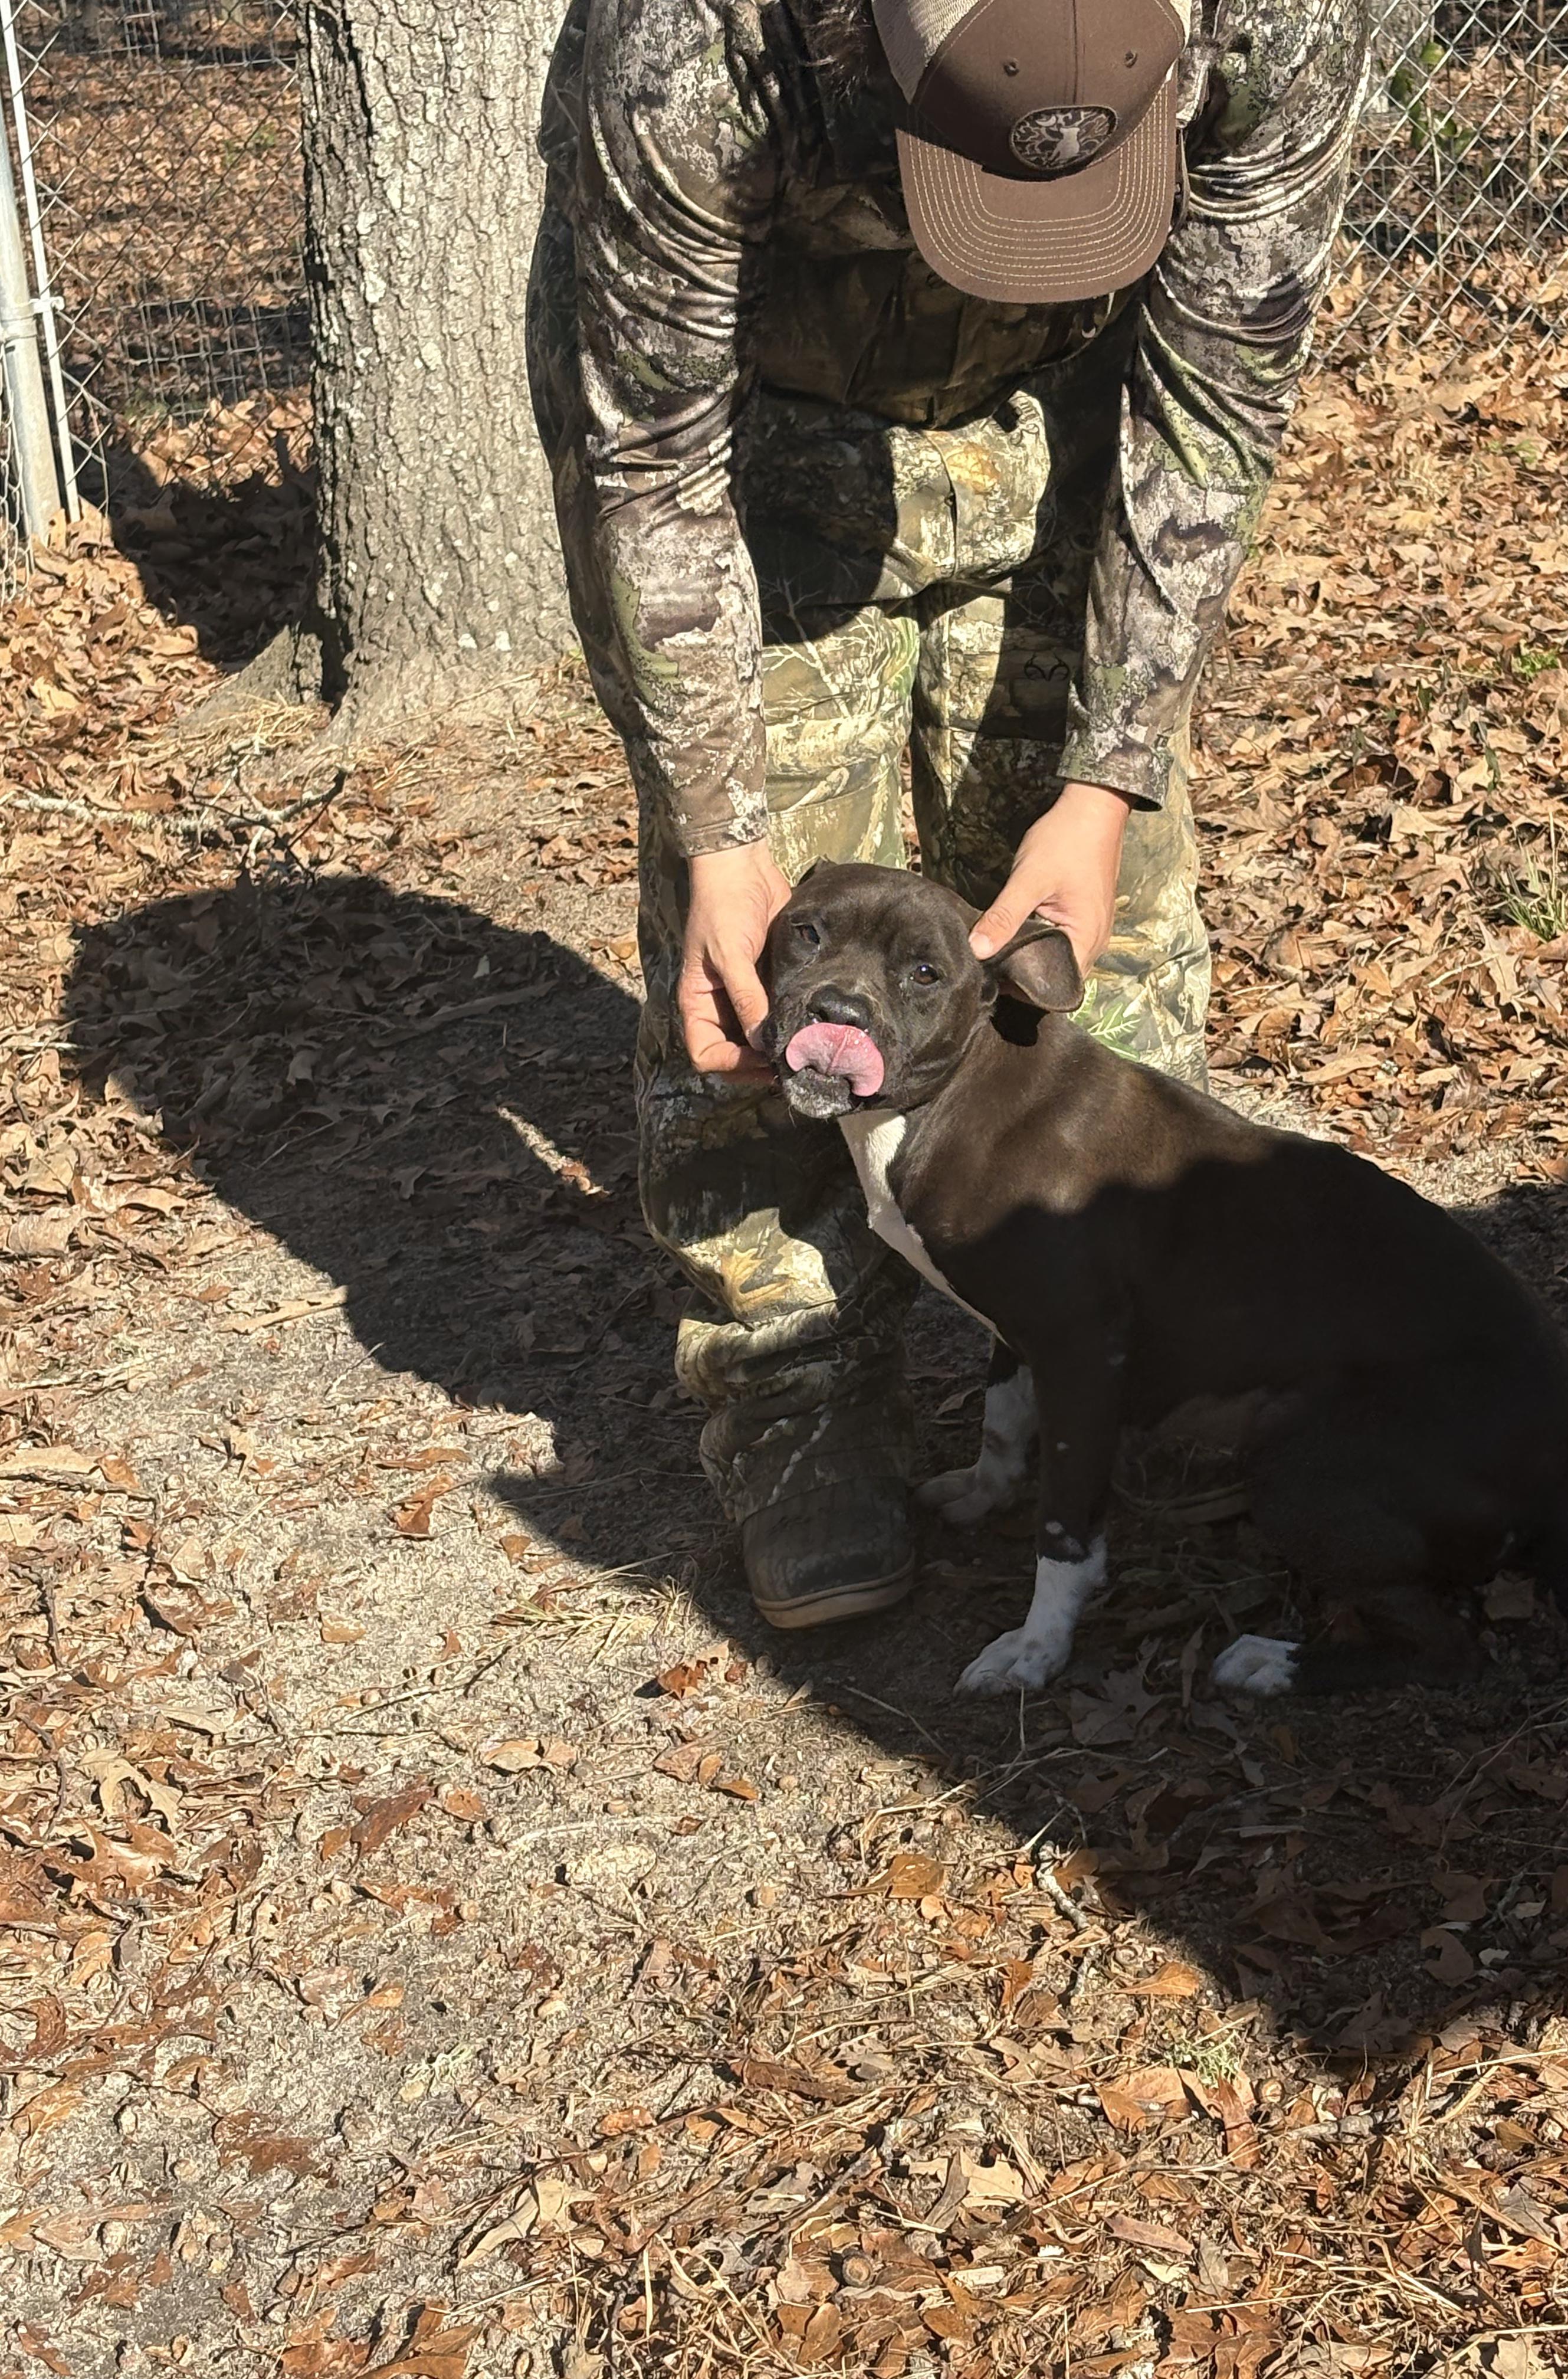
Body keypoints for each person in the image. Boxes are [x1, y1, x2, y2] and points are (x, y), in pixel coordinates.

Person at [529, 0, 1371, 1630]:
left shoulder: (1280, 18)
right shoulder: (688, 45)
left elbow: (1221, 395)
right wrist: (718, 827)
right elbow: (643, 452)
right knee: (774, 984)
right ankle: (794, 1396)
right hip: (756, 440)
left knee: (1086, 972)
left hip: (1075, 416)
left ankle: (1124, 1344)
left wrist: (1111, 771)